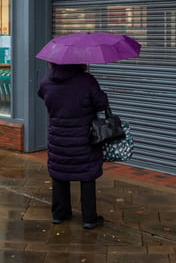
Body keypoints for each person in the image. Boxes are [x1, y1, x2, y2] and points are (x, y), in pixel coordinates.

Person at [37, 63, 109, 229]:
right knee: (87, 175)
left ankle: (59, 214)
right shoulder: (87, 81)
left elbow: (43, 96)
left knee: (59, 172)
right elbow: (102, 103)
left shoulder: (46, 82)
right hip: (83, 138)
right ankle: (89, 218)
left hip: (58, 137)